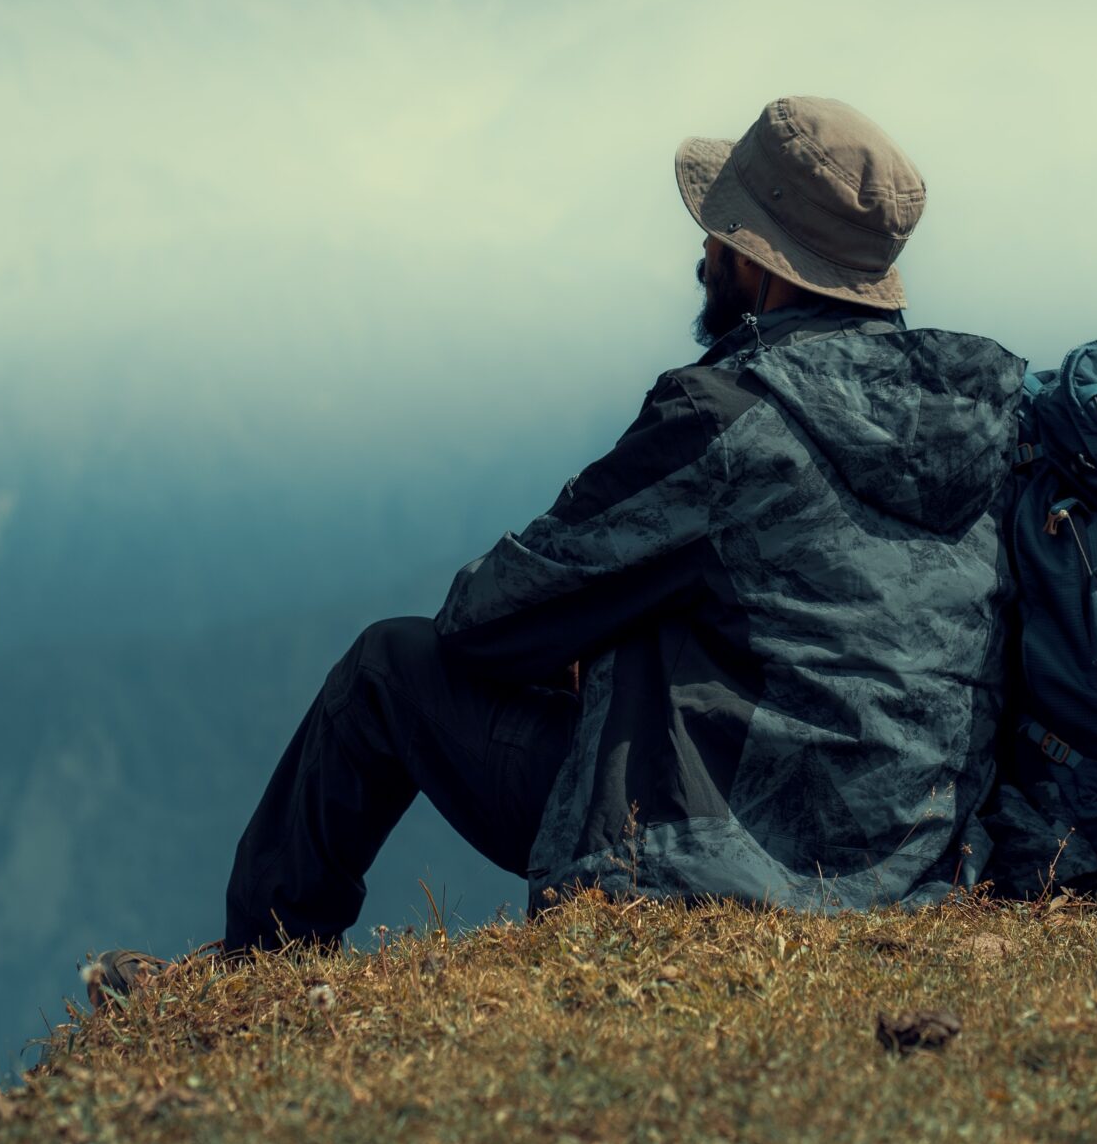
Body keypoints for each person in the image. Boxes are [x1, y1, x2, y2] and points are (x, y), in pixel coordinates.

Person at [87, 95, 1027, 999]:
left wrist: (590, 644)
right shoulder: (976, 428)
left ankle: (256, 968)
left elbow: (489, 618)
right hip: (913, 860)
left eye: (724, 234)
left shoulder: (728, 421)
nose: (706, 250)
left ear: (768, 267)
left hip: (729, 862)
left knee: (386, 667)